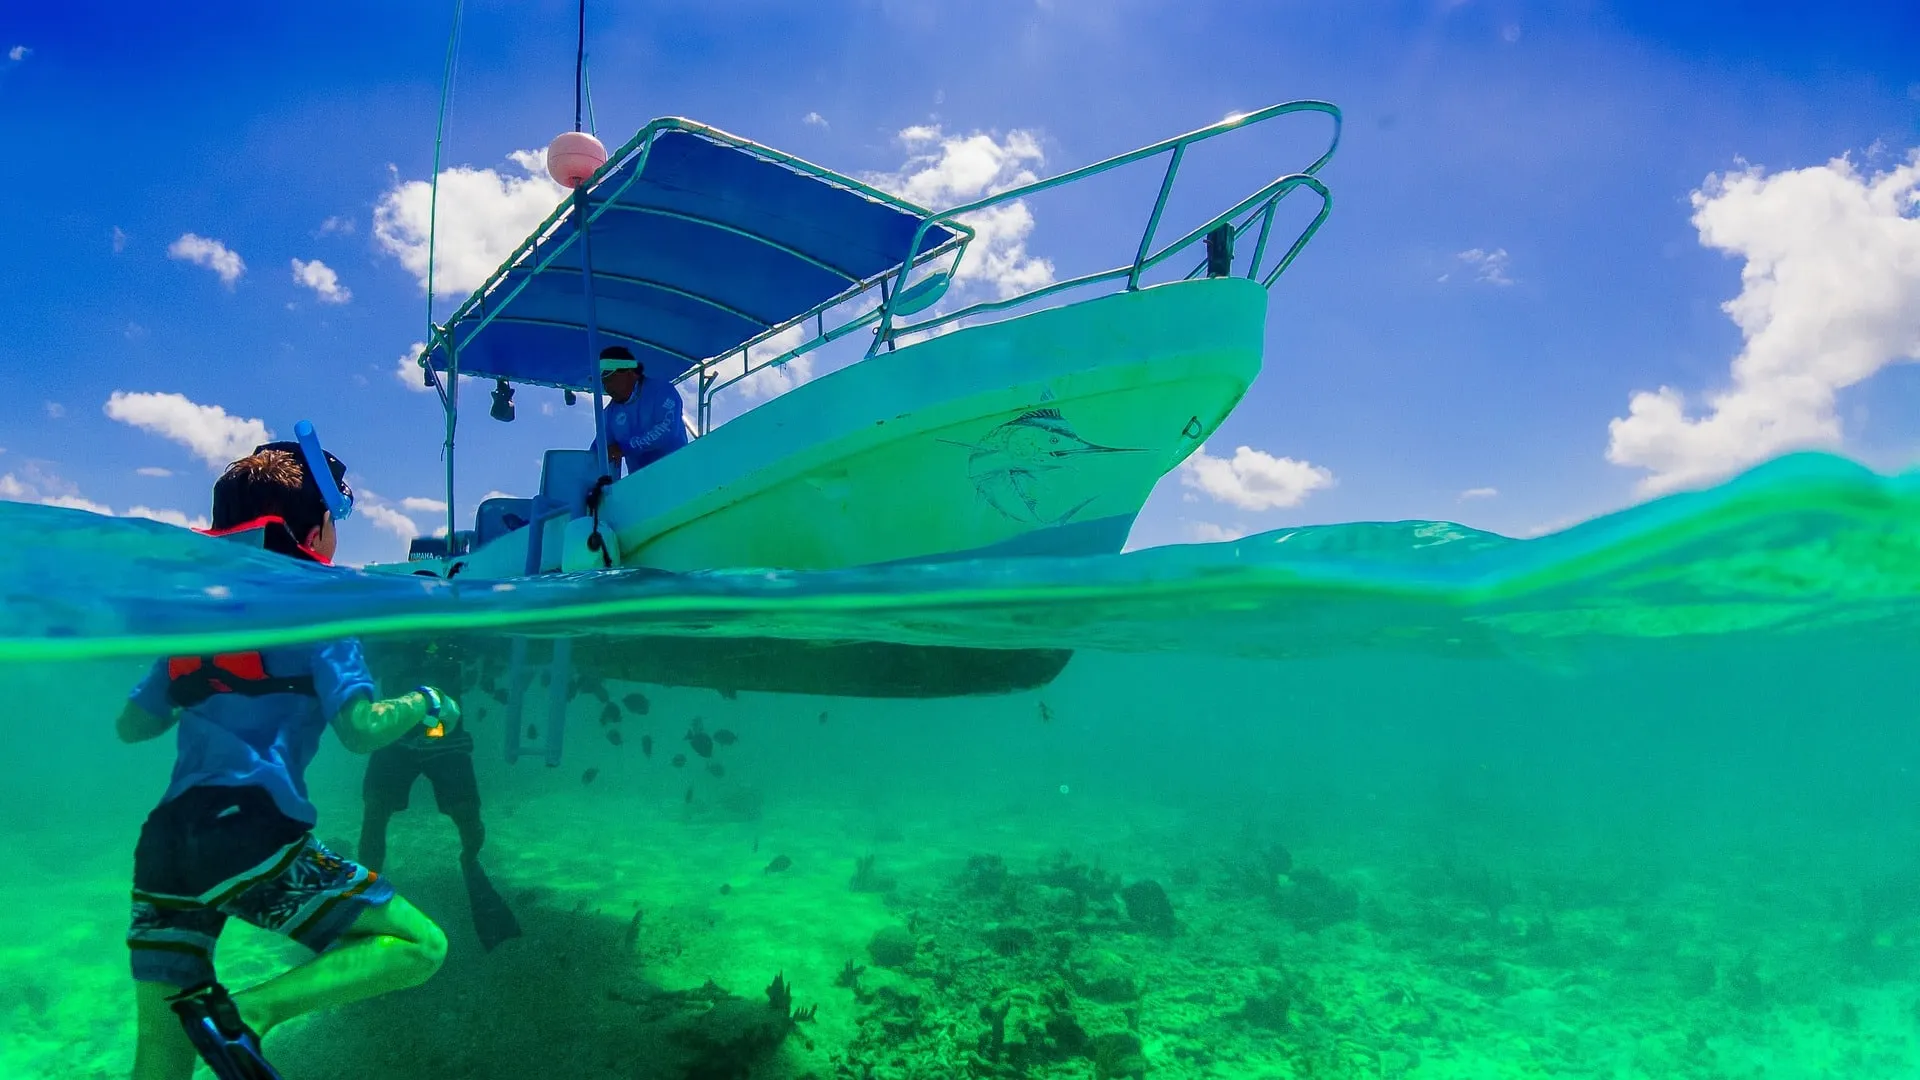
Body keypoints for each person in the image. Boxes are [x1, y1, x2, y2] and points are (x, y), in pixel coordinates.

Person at [117, 434, 460, 1080]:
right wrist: (427, 700)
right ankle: (250, 1014)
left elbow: (134, 726)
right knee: (420, 946)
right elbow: (362, 729)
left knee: (160, 1056)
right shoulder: (318, 606)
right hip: (249, 833)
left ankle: (216, 1021)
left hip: (165, 845)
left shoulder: (199, 618)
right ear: (320, 526)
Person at [359, 640, 521, 952]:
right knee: (375, 809)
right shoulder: (394, 626)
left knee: (466, 817)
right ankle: (366, 897)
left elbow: (482, 650)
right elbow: (370, 664)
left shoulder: (446, 625)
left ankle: (471, 866)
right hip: (397, 734)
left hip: (444, 737)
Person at [594, 344, 688, 477]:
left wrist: (623, 448)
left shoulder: (662, 391)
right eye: (603, 382)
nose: (607, 387)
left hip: (679, 475)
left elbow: (667, 430)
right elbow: (596, 452)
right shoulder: (609, 414)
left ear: (631, 373)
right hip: (641, 487)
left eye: (611, 378)